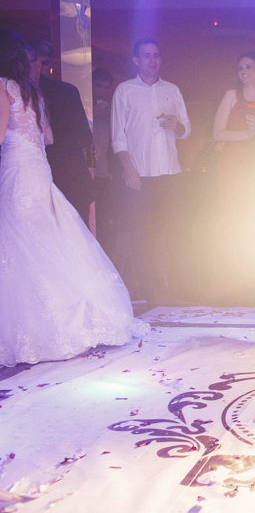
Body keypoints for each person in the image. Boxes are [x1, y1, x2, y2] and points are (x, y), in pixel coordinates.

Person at [0, 29, 147, 367]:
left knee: (20, 244)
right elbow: (48, 138)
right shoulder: (34, 93)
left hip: (18, 172)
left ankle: (43, 326)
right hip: (39, 172)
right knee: (46, 241)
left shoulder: (4, 87)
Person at [112, 38, 191, 303]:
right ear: (136, 60)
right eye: (147, 55)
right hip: (139, 174)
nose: (153, 60)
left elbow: (186, 129)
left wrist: (176, 124)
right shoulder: (124, 91)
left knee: (177, 230)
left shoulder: (172, 89)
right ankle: (145, 290)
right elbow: (118, 136)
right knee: (140, 233)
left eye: (156, 55)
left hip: (170, 172)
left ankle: (181, 287)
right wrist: (128, 168)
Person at [208, 51, 255, 305]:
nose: (243, 71)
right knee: (232, 223)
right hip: (233, 168)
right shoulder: (231, 96)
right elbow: (218, 133)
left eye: (249, 66)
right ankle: (229, 285)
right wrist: (246, 135)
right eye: (240, 67)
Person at [28, 38, 95, 227]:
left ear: (51, 64)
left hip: (68, 180)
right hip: (30, 182)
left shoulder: (65, 92)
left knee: (78, 242)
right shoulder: (11, 92)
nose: (39, 67)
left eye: (45, 62)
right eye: (36, 62)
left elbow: (84, 136)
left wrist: (47, 141)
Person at [92, 67, 122, 262]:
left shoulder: (113, 109)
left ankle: (106, 260)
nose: (103, 90)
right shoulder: (82, 105)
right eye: (99, 86)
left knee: (104, 220)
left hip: (104, 173)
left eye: (106, 87)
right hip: (84, 171)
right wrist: (94, 112)